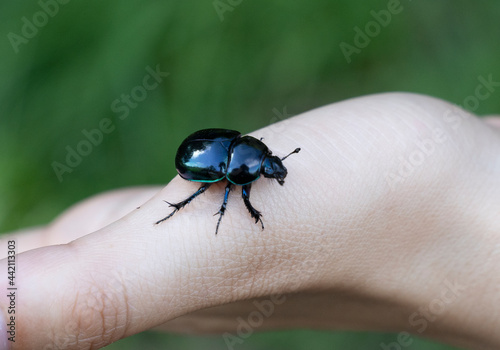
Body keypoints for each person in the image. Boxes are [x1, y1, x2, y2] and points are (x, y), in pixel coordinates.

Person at [0, 93, 499, 350]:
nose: (268, 171)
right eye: (263, 168)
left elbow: (254, 166)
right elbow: (229, 188)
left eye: (266, 166)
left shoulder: (250, 158)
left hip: (215, 151)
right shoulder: (232, 172)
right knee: (209, 196)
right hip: (197, 159)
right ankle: (173, 212)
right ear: (248, 163)